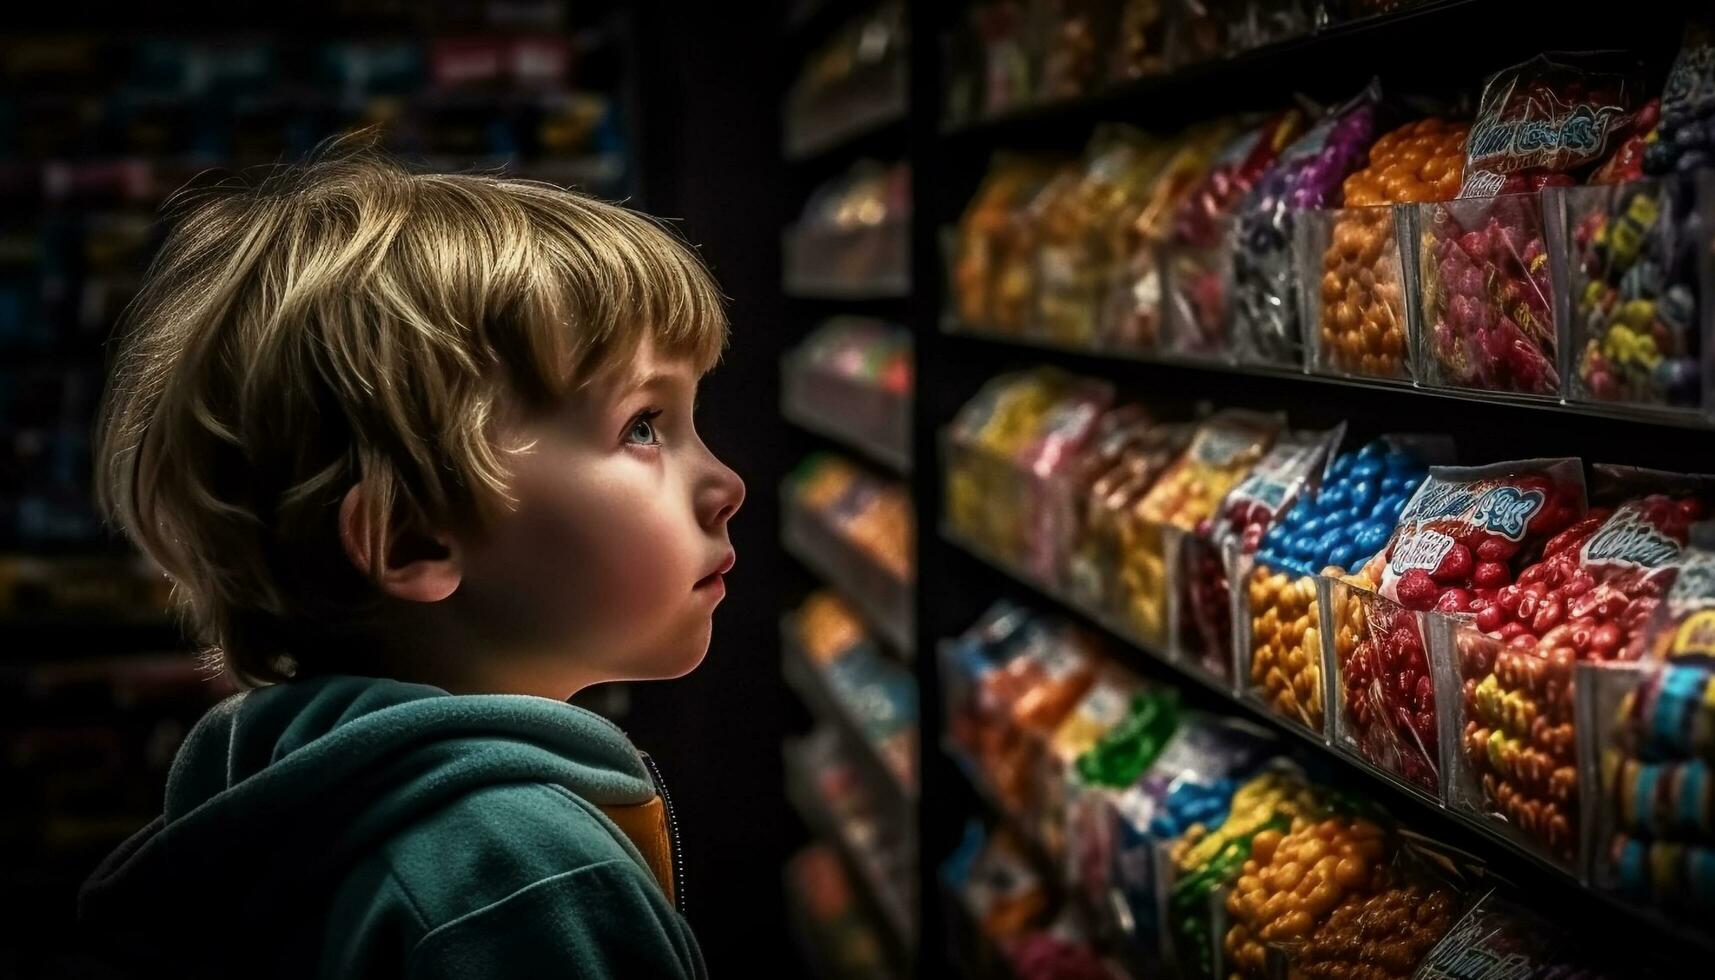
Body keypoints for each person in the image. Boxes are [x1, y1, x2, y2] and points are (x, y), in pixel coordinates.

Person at [77, 143, 744, 979]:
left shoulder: (268, 780)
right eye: (643, 426)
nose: (727, 484)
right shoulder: (519, 876)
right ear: (413, 538)